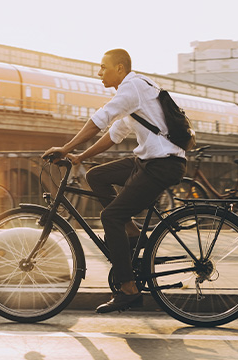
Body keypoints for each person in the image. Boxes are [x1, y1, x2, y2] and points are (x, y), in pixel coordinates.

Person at [42, 49, 186, 313]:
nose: (99, 72)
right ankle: (131, 231)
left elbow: (99, 120)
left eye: (103, 67)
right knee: (96, 175)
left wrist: (64, 148)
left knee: (110, 217)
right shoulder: (137, 90)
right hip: (152, 160)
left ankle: (128, 289)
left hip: (162, 164)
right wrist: (80, 156)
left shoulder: (131, 88)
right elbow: (115, 133)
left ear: (120, 69)